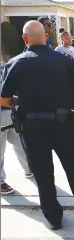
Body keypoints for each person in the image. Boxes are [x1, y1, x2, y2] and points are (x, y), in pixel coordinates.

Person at [1, 21, 74, 230]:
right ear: (46, 37)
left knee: (42, 173)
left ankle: (54, 218)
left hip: (32, 128)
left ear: (24, 39)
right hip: (63, 124)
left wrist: (25, 100)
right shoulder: (63, 60)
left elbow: (3, 100)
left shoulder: (15, 63)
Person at [1, 47, 33, 195]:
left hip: (11, 112)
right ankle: (0, 182)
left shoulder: (4, 66)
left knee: (21, 143)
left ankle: (29, 169)